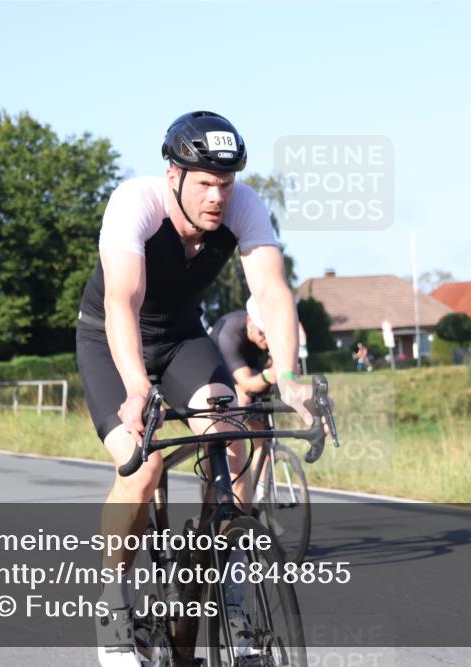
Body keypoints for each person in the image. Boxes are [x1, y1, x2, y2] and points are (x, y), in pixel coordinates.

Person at [75, 111, 320, 665]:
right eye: (205, 182)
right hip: (113, 341)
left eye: (225, 183)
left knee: (235, 438)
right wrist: (137, 388)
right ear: (173, 175)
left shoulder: (245, 206)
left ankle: (230, 594)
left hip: (183, 340)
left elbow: (274, 292)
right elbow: (122, 303)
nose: (217, 196)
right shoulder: (135, 204)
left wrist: (288, 375)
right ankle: (113, 602)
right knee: (142, 466)